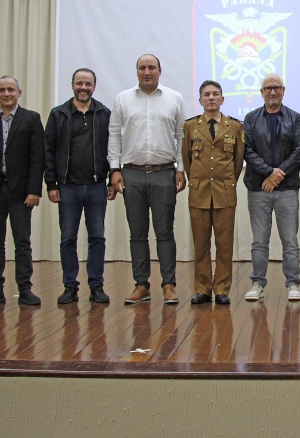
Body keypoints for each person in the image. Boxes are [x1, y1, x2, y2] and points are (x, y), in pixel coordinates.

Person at [109, 54, 186, 305]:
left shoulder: (174, 98)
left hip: (164, 173)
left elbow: (181, 137)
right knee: (137, 234)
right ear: (136, 71)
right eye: (142, 68)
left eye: (151, 67)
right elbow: (114, 136)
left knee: (165, 232)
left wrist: (181, 169)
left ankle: (169, 285)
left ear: (159, 71)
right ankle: (141, 285)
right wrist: (114, 170)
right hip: (131, 173)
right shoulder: (123, 99)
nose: (147, 72)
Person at [0, 76, 45, 306]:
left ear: (19, 93)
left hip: (21, 192)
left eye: (11, 89)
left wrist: (34, 190)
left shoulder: (31, 118)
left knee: (22, 241)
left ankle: (25, 288)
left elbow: (37, 158)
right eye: (2, 90)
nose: (6, 94)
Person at [44, 68, 115, 304]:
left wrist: (112, 178)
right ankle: (70, 286)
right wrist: (51, 184)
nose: (83, 88)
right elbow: (48, 151)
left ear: (94, 86)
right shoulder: (58, 114)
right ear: (72, 85)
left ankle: (96, 285)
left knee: (97, 237)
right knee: (67, 238)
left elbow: (113, 149)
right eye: (79, 83)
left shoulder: (104, 114)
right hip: (67, 187)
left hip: (96, 186)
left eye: (88, 84)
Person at [242, 73, 300, 302]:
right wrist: (269, 173)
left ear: (283, 90)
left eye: (276, 87)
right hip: (258, 188)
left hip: (287, 189)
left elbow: (299, 150)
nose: (272, 92)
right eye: (268, 88)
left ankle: (293, 284)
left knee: (290, 241)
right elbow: (247, 150)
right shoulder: (250, 118)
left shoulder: (295, 118)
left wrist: (277, 176)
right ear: (261, 92)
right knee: (259, 241)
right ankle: (257, 283)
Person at [182, 80, 244, 305]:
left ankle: (222, 289)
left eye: (215, 94)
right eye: (206, 94)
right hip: (199, 192)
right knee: (201, 244)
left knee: (224, 244)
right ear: (200, 100)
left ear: (222, 99)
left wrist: (226, 182)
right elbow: (187, 160)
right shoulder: (190, 126)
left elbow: (237, 161)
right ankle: (202, 288)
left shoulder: (234, 127)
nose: (211, 98)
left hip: (224, 193)